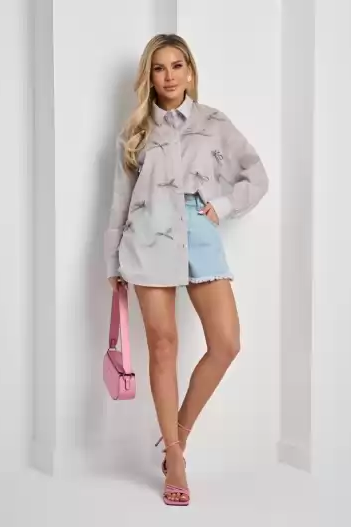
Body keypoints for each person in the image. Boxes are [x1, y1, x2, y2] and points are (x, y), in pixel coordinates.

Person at [104, 33, 269, 506]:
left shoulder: (214, 123)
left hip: (199, 233)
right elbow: (119, 201)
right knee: (163, 346)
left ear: (190, 71)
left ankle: (177, 430)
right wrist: (113, 260)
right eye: (159, 68)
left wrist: (223, 204)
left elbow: (256, 175)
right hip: (148, 237)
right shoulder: (135, 133)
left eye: (177, 65)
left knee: (226, 342)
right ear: (149, 77)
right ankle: (174, 458)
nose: (169, 76)